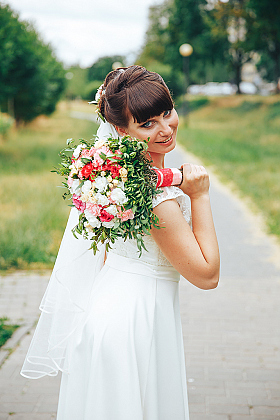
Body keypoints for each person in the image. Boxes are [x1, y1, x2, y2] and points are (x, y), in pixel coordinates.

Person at [21, 65, 220, 420]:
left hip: (108, 312)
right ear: (119, 129)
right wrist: (200, 197)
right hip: (131, 326)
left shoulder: (115, 177)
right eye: (147, 124)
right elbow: (207, 275)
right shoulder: (153, 197)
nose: (165, 129)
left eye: (167, 113)